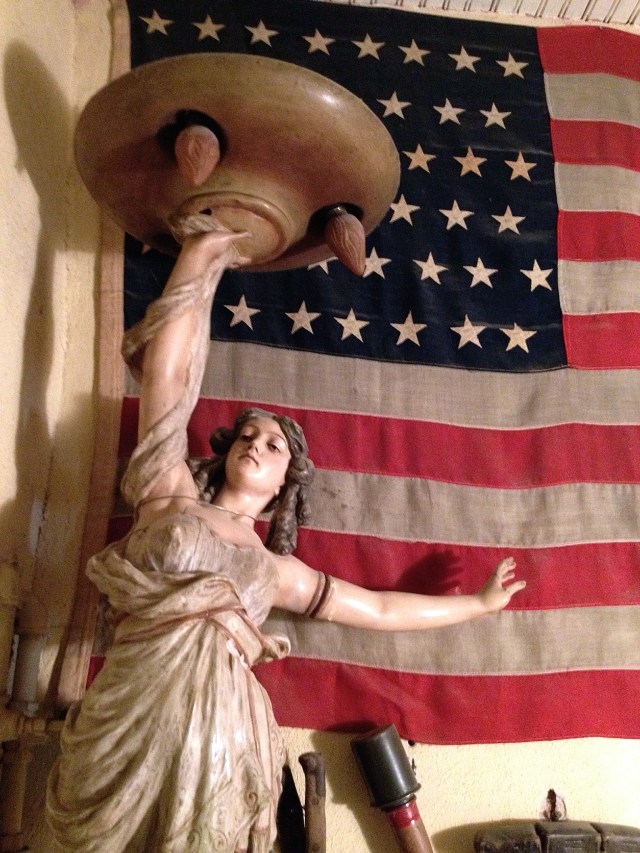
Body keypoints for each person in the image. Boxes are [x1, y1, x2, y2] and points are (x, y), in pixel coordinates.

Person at [46, 216, 525, 853]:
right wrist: (201, 257)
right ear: (223, 453)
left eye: (274, 446)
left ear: (283, 485)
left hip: (224, 732)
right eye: (247, 435)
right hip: (130, 703)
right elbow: (167, 377)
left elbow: (380, 609)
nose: (256, 444)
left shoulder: (275, 569)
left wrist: (479, 604)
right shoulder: (168, 495)